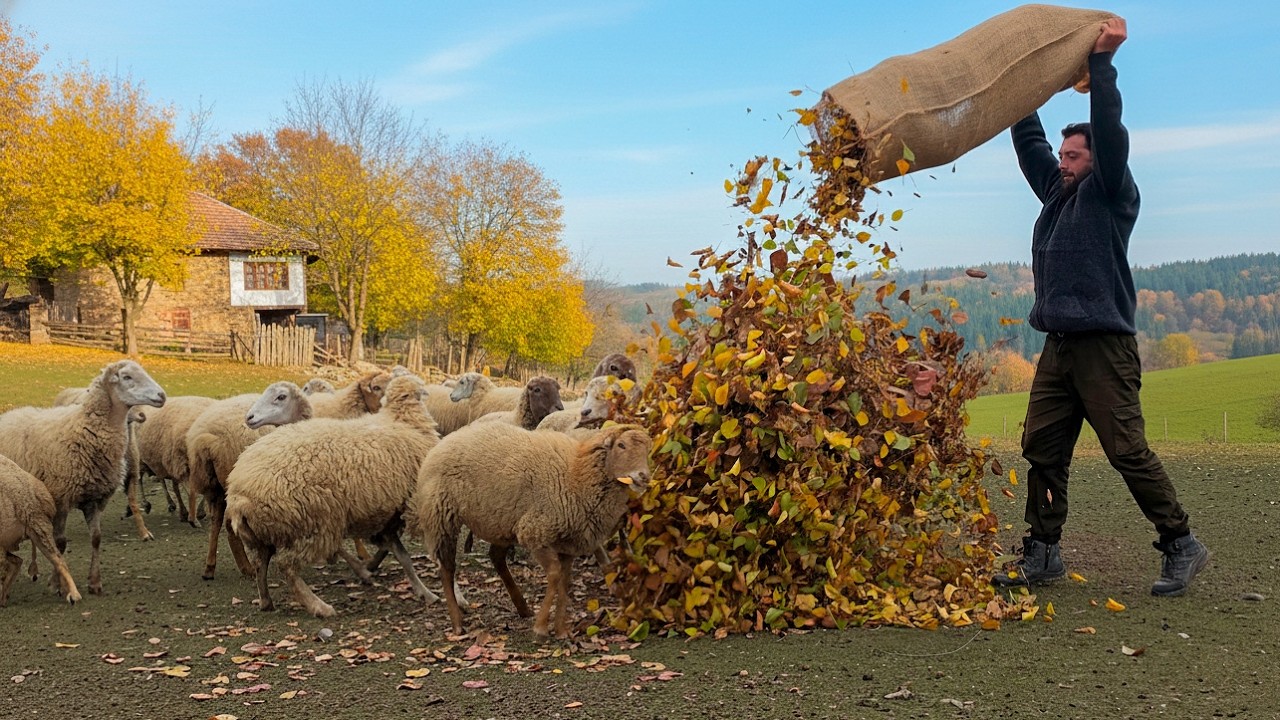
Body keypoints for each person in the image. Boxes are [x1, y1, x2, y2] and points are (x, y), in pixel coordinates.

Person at [993, 17, 1209, 597]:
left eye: (1075, 155)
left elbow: (1109, 130)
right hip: (1059, 348)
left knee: (1126, 451)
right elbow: (1028, 142)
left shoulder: (1112, 193)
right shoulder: (1058, 192)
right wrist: (1020, 90)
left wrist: (1100, 66)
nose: (1063, 161)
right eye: (1062, 154)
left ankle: (1181, 543)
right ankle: (1042, 554)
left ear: (1095, 161)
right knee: (1041, 448)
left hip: (1104, 348)